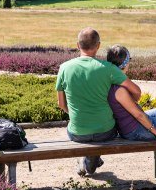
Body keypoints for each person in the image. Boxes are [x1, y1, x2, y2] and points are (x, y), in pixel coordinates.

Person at [56, 28, 142, 176]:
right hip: (106, 132)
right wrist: (130, 101)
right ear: (98, 46)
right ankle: (91, 160)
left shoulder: (64, 68)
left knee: (83, 132)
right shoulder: (108, 68)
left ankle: (89, 159)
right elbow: (136, 91)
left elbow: (61, 105)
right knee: (103, 129)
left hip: (77, 133)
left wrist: (80, 114)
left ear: (78, 45)